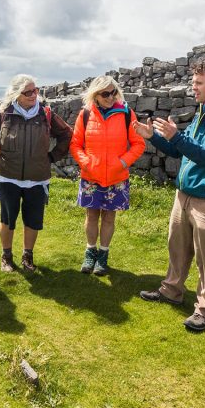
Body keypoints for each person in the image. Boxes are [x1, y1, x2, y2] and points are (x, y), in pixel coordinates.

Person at [133, 57, 205, 332]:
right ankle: (172, 291)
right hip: (184, 196)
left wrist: (176, 136)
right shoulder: (203, 112)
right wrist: (154, 137)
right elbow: (182, 150)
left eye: (198, 82)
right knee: (177, 247)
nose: (192, 87)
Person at [0, 74, 72, 272]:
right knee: (8, 219)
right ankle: (6, 257)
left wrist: (52, 157)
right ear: (17, 94)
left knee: (33, 219)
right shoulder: (4, 113)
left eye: (35, 90)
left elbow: (67, 134)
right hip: (7, 175)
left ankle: (28, 256)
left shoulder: (45, 114)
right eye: (28, 92)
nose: (34, 95)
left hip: (37, 178)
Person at [70, 75, 146, 276]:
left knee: (109, 218)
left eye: (113, 92)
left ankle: (102, 256)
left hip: (116, 177)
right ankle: (90, 252)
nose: (111, 97)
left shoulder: (127, 114)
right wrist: (87, 163)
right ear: (95, 94)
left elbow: (139, 144)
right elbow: (76, 144)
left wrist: (122, 162)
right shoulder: (85, 114)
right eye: (105, 94)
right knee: (91, 215)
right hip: (91, 176)